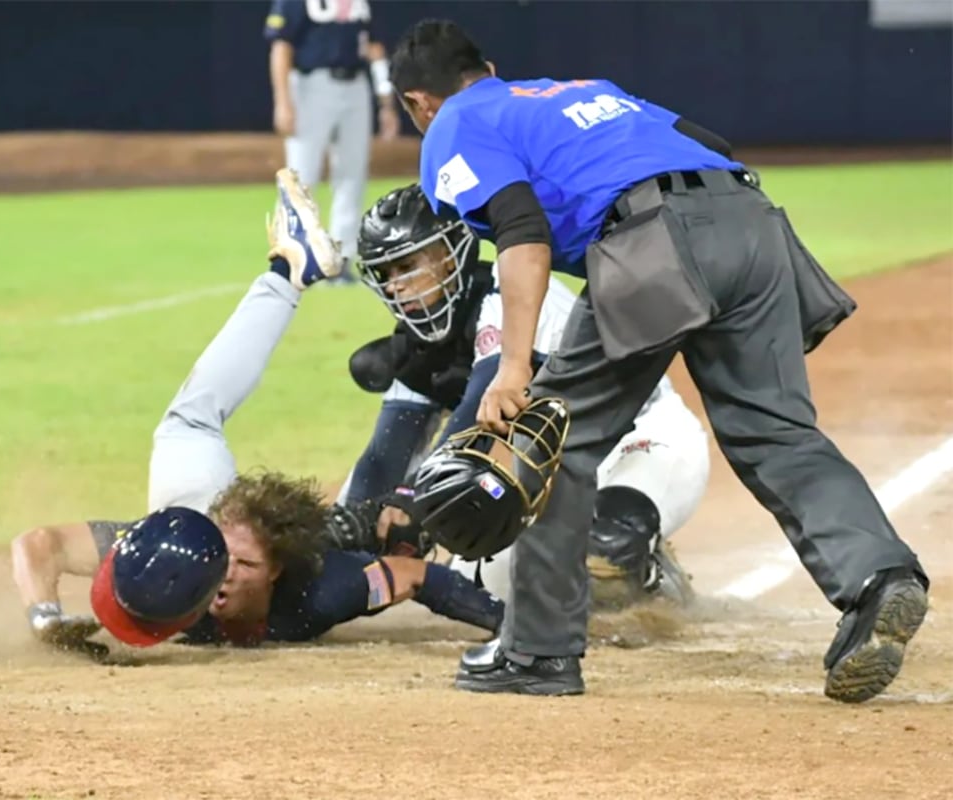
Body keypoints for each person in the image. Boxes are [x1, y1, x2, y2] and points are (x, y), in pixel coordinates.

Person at [389, 19, 928, 702]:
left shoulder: (451, 127)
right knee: (778, 432)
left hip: (652, 240)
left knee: (553, 439)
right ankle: (879, 577)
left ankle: (537, 651)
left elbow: (522, 231)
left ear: (417, 102)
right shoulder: (579, 90)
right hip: (752, 221)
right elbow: (709, 146)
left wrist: (514, 366)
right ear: (488, 69)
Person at [10, 169, 505, 658]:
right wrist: (45, 618)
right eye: (226, 557)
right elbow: (39, 545)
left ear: (274, 572)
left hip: (304, 546)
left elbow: (416, 577)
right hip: (200, 509)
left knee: (192, 424)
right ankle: (288, 274)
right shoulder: (170, 545)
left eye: (243, 563)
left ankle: (288, 274)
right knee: (187, 422)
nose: (224, 576)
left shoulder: (321, 594)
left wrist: (509, 622)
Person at [340, 183, 709, 609]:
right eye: (385, 275)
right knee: (481, 579)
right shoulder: (418, 347)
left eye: (407, 265)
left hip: (638, 440)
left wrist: (410, 504)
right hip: (553, 472)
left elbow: (480, 412)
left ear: (451, 253)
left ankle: (653, 573)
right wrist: (352, 522)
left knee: (606, 551)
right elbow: (385, 454)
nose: (396, 286)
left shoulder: (513, 292)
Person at [265, 0, 400, 282]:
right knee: (300, 176)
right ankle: (291, 256)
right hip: (311, 84)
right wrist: (283, 101)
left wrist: (386, 101)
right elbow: (281, 46)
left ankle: (340, 261)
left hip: (355, 85)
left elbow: (374, 48)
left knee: (352, 174)